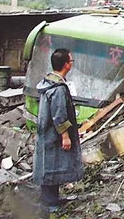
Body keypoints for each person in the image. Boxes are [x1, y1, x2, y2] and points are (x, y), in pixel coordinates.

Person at [33, 49, 84, 213]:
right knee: (52, 166)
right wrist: (65, 136)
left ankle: (52, 199)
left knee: (49, 164)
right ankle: (50, 204)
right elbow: (59, 114)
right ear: (66, 65)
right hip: (53, 134)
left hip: (47, 133)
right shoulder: (58, 88)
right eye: (71, 61)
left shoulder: (49, 82)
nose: (72, 63)